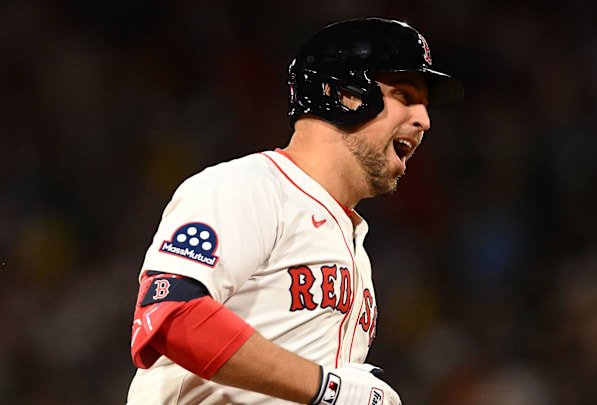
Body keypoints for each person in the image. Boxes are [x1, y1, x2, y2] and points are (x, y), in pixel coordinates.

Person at [126, 17, 462, 405]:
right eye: (404, 96)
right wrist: (330, 388)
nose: (424, 119)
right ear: (345, 95)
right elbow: (170, 315)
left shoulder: (358, 255)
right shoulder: (250, 186)